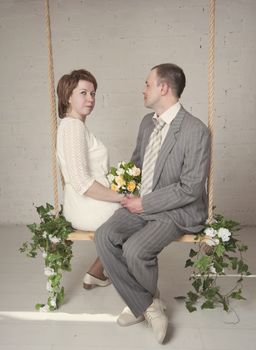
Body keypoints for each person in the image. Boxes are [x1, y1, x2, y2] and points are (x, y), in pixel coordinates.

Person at [95, 63, 210, 344]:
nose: (142, 89)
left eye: (147, 84)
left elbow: (191, 188)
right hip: (141, 202)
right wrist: (124, 190)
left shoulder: (196, 131)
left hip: (176, 209)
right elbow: (137, 163)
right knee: (104, 236)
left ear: (163, 88)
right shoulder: (148, 123)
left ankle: (139, 306)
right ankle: (147, 305)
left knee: (135, 249)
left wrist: (145, 204)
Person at [56, 69, 124, 290]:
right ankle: (122, 278)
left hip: (86, 203)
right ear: (68, 96)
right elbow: (82, 182)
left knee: (138, 209)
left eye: (93, 93)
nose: (90, 99)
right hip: (87, 206)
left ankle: (97, 272)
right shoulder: (73, 127)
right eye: (83, 93)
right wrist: (120, 197)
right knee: (140, 216)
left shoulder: (75, 126)